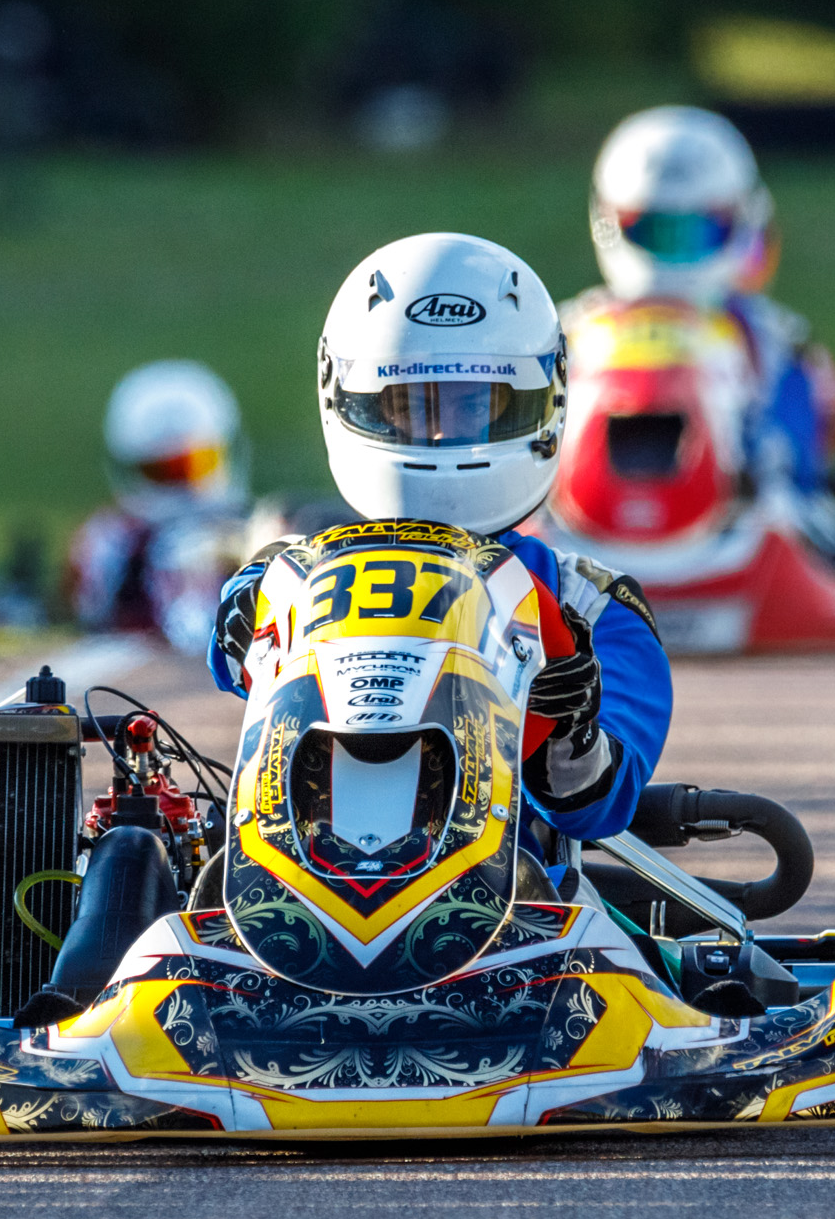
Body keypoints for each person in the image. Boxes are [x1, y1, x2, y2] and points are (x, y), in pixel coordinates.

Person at [209, 232, 671, 840]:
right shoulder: (294, 574)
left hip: (504, 886)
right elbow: (227, 658)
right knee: (136, 846)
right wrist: (249, 615)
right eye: (409, 406)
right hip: (297, 868)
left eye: (474, 406)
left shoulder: (592, 606)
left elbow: (598, 808)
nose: (438, 435)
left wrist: (569, 729)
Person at [577, 105, 835, 512]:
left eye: (698, 232)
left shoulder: (776, 343)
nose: (676, 253)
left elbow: (807, 470)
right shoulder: (570, 332)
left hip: (744, 527)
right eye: (656, 231)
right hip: (583, 524)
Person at [65, 359, 249, 653]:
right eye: (164, 471)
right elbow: (83, 607)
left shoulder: (253, 529)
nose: (182, 487)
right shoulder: (112, 540)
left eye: (195, 464)